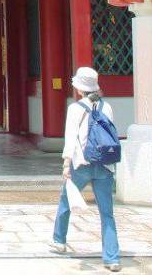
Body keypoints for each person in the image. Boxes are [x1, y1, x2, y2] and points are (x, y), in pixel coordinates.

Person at [50, 66, 121, 272]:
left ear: (79, 88)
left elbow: (70, 138)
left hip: (81, 163)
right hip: (105, 166)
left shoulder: (75, 109)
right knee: (107, 213)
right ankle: (112, 258)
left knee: (66, 200)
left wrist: (66, 163)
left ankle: (59, 240)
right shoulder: (107, 107)